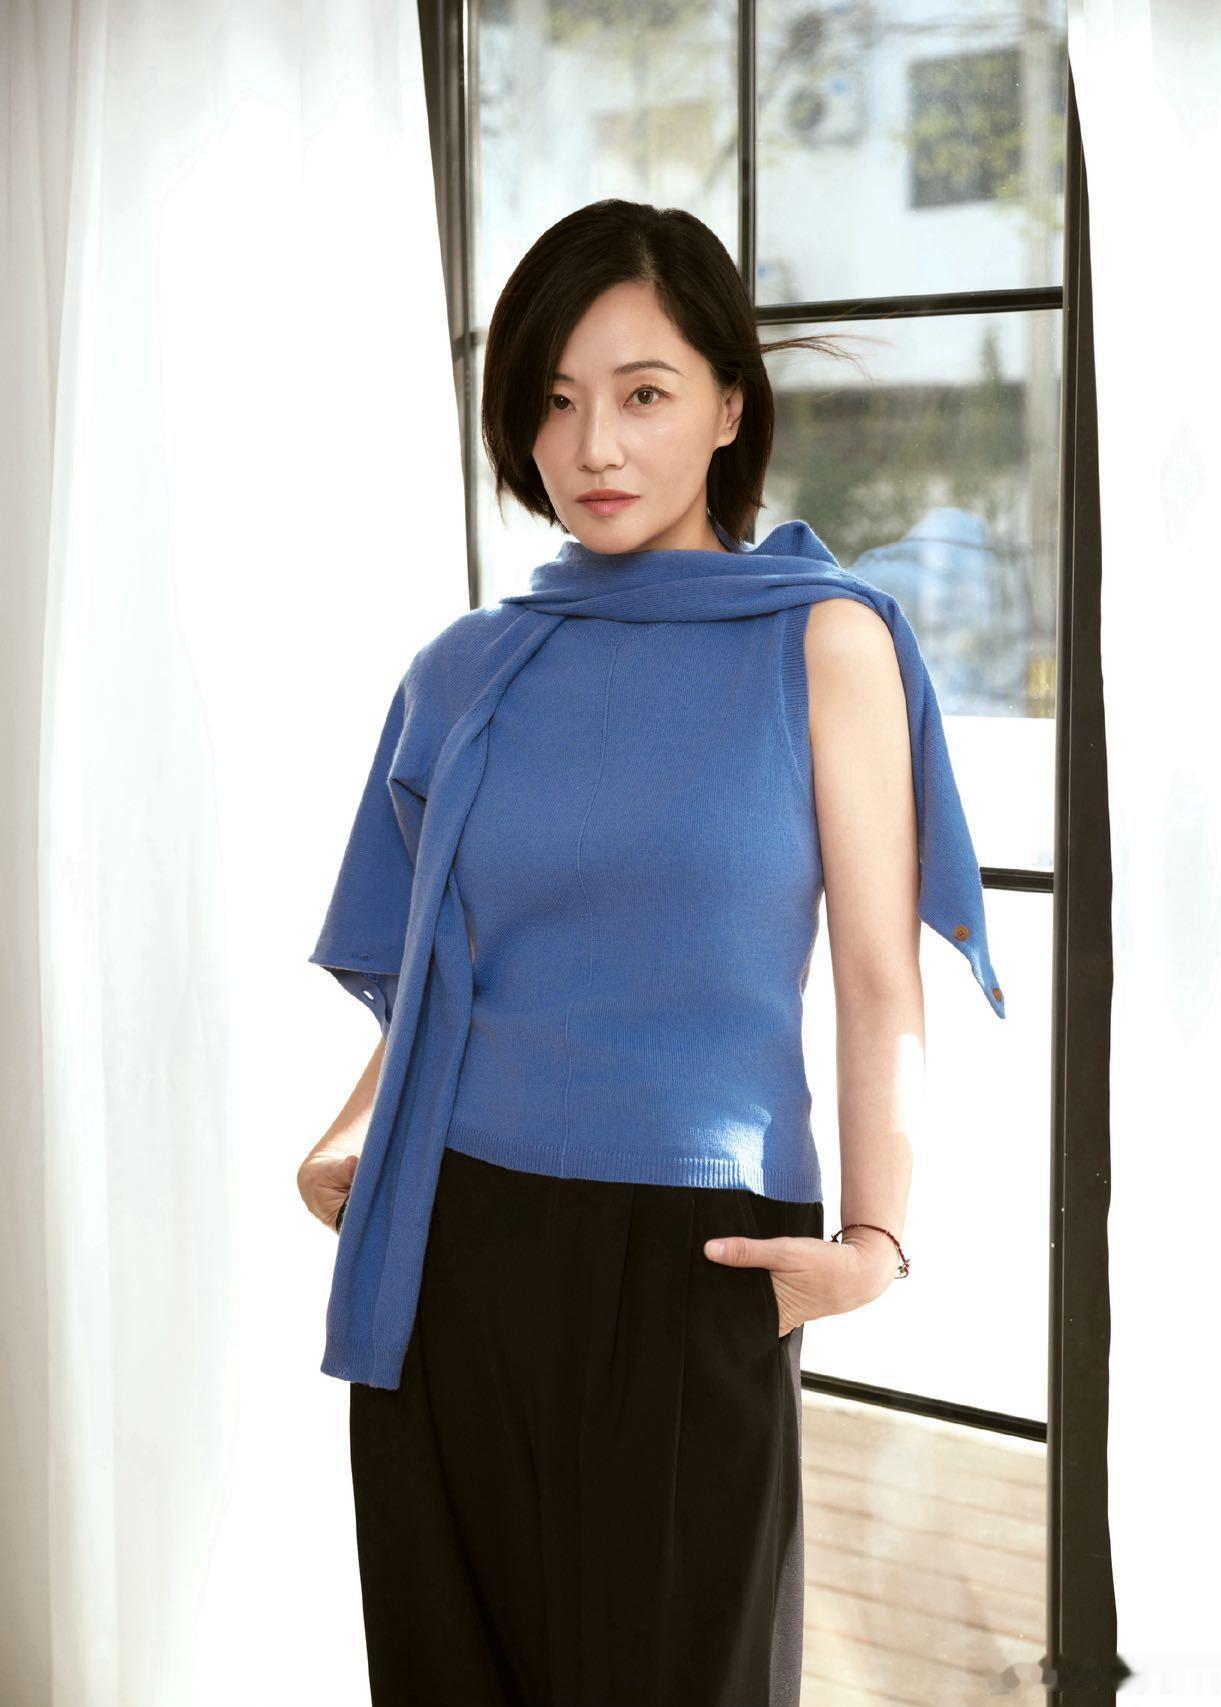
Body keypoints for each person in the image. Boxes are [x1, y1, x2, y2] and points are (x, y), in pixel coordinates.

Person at [296, 199, 1003, 1707]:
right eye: (554, 401)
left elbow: (879, 982)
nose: (593, 447)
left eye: (642, 393)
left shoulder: (825, 643)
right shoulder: (465, 668)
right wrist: (349, 1134)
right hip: (450, 1244)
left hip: (696, 1254)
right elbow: (436, 972)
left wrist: (876, 1242)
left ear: (729, 406)